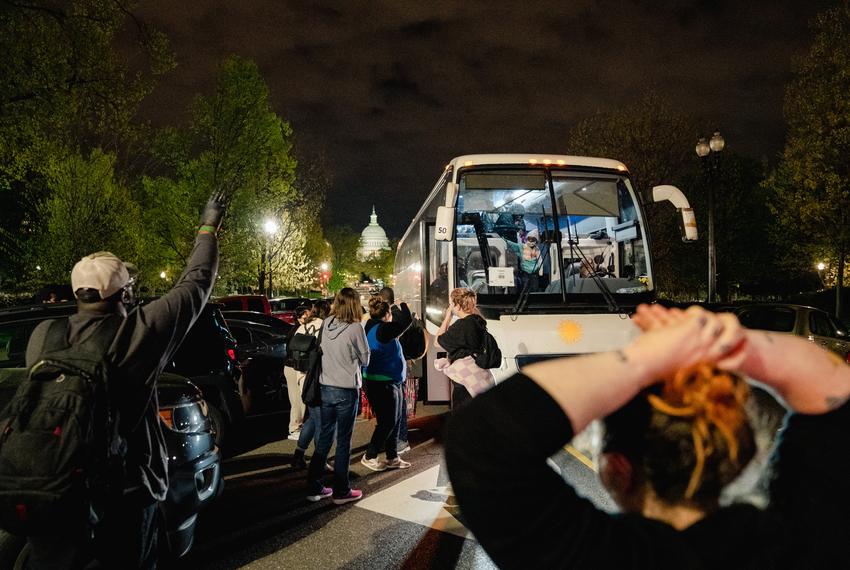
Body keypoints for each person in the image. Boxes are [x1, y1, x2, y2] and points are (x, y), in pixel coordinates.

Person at [445, 304, 850, 569]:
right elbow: (834, 388)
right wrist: (719, 340)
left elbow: (483, 435)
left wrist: (647, 356)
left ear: (616, 470)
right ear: (734, 455)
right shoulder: (796, 543)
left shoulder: (607, 558)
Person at [23, 193, 226, 569]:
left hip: (53, 492)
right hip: (124, 496)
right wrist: (208, 227)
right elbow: (196, 283)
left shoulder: (42, 335)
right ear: (125, 294)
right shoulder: (137, 334)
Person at [306, 288, 370, 505]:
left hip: (325, 387)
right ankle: (341, 490)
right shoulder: (355, 328)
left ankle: (314, 487)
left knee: (324, 438)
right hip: (345, 389)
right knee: (343, 441)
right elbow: (365, 358)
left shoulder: (327, 323)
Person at [360, 295, 413, 471]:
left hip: (389, 379)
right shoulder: (382, 329)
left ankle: (392, 457)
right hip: (382, 382)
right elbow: (406, 321)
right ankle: (370, 455)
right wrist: (402, 304)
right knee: (387, 421)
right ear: (387, 313)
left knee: (395, 419)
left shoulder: (371, 326)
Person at [435, 288, 493, 410]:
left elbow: (437, 342)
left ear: (456, 305)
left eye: (451, 303)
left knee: (462, 419)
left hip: (465, 384)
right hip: (480, 376)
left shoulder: (462, 326)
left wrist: (447, 317)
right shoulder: (478, 321)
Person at [290, 300, 331, 469]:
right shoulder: (324, 326)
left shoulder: (302, 327)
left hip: (301, 376)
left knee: (313, 418)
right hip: (316, 377)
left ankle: (298, 455)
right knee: (321, 421)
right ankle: (320, 461)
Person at [379, 286, 413, 454]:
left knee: (396, 405)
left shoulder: (388, 319)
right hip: (403, 361)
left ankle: (401, 438)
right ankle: (399, 438)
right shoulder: (400, 314)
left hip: (392, 365)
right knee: (399, 402)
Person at [285, 304, 313, 440]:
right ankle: (294, 428)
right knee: (297, 400)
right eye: (305, 315)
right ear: (298, 317)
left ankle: (297, 426)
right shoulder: (297, 330)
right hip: (292, 367)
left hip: (294, 367)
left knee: (300, 399)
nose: (308, 317)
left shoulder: (298, 329)